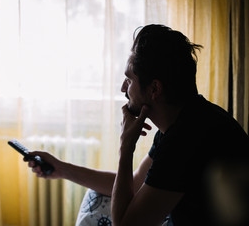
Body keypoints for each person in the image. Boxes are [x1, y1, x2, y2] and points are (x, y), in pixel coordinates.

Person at [25, 24, 249, 226]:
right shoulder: (188, 118)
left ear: (154, 89)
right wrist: (61, 168)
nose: (124, 88)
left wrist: (126, 147)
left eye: (129, 80)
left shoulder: (185, 140)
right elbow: (134, 182)